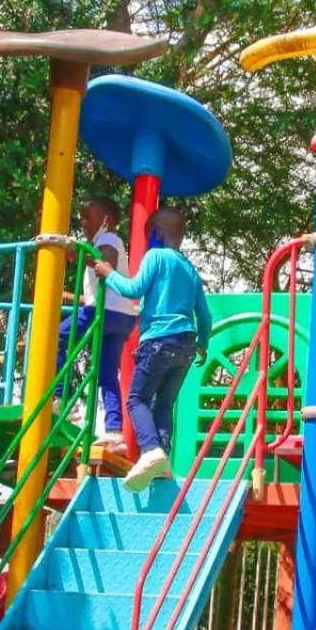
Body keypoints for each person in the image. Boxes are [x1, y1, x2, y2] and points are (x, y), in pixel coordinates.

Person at [95, 205, 210, 492]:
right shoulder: (189, 269)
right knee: (165, 404)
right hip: (185, 345)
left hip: (158, 340)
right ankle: (163, 464)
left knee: (136, 399)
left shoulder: (155, 256)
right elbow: (204, 315)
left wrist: (109, 273)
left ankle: (150, 450)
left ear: (156, 234)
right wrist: (203, 345)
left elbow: (134, 289)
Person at [57, 194, 135, 450]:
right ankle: (114, 431)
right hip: (121, 316)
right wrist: (67, 297)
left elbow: (106, 265)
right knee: (106, 373)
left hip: (106, 313)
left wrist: (77, 254)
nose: (83, 222)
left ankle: (60, 397)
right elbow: (97, 292)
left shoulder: (108, 238)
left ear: (106, 220)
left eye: (87, 217)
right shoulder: (104, 241)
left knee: (58, 335)